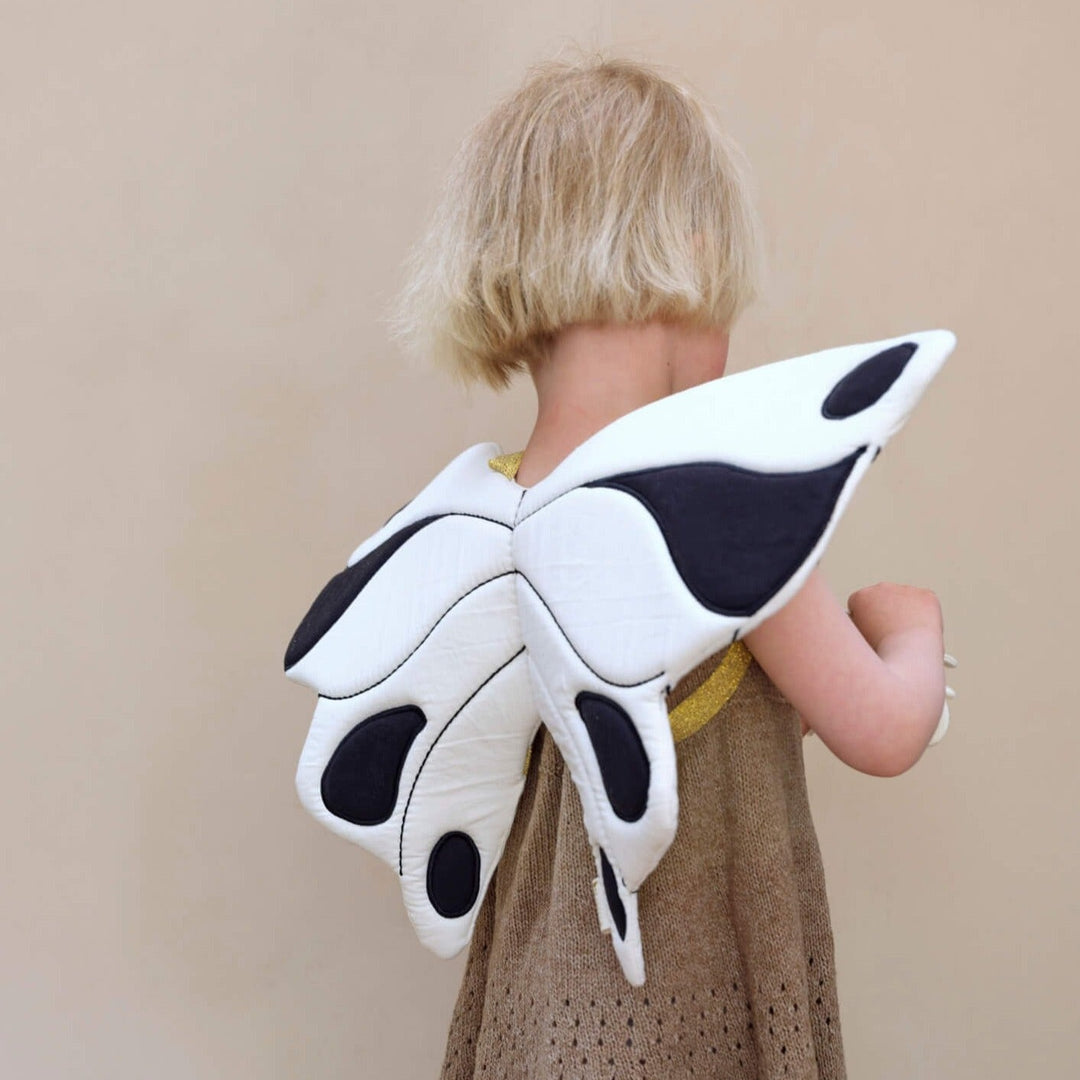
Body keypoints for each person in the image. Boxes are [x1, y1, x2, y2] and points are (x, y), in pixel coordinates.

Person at [386, 50, 948, 1080]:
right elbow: (881, 726)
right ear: (689, 254)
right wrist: (911, 630)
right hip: (694, 1016)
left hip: (545, 1010)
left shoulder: (492, 510)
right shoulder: (717, 509)